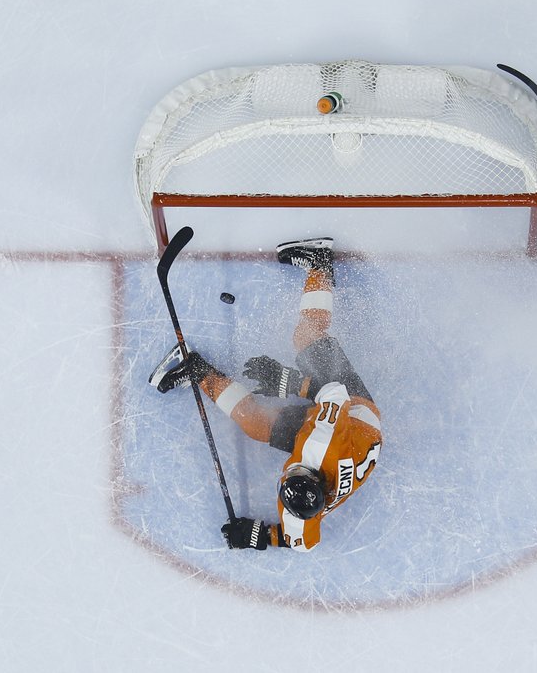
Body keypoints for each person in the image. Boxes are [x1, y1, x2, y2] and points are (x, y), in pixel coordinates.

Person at [149, 237, 382, 552]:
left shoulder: (299, 509)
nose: (292, 466)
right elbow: (336, 395)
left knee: (254, 424)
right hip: (356, 415)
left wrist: (255, 535)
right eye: (297, 468)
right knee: (307, 338)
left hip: (335, 438)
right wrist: (288, 382)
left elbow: (297, 542)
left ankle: (196, 369)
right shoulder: (320, 444)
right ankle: (320, 264)